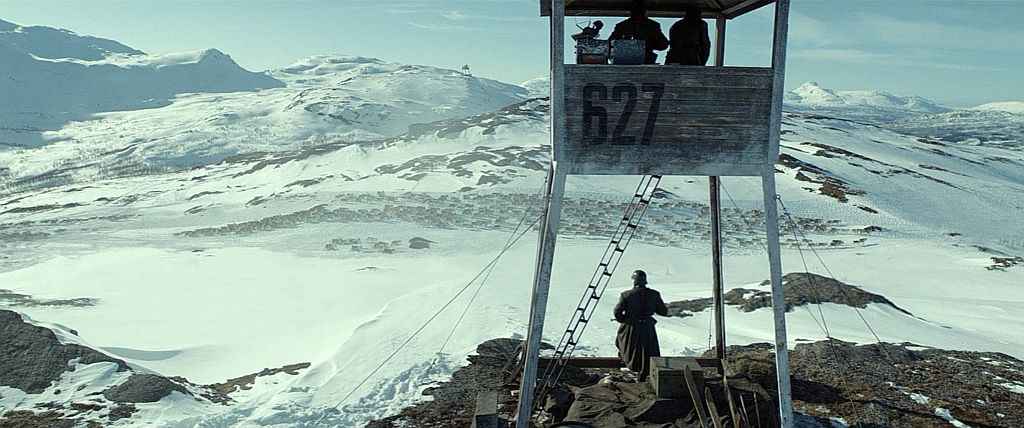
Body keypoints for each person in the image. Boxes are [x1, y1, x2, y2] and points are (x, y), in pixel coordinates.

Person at [613, 269, 668, 381]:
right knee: (649, 352)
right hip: (648, 328)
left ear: (634, 281)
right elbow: (663, 311)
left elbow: (617, 312)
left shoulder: (626, 295)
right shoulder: (654, 294)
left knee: (627, 346)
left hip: (632, 328)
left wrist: (625, 321)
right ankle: (646, 375)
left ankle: (632, 368)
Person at [608, 0, 669, 64]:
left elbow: (663, 45)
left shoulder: (621, 26)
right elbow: (610, 45)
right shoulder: (652, 25)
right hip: (627, 62)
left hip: (643, 62)